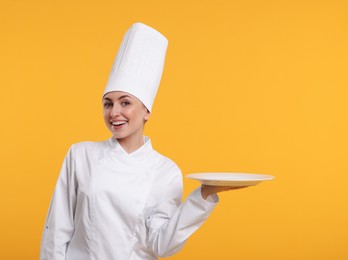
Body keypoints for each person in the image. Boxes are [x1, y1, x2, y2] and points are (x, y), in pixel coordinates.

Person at [40, 22, 245, 260]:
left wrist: (205, 195)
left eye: (125, 102)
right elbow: (56, 230)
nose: (114, 112)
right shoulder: (80, 155)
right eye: (108, 103)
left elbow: (161, 244)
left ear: (147, 110)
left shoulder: (165, 171)